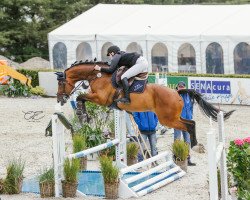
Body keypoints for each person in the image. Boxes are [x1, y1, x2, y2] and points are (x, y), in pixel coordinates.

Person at [174, 81, 196, 166]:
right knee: (177, 140)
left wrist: (190, 117)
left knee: (187, 141)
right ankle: (177, 158)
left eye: (182, 87)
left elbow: (191, 107)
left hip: (187, 121)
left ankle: (187, 159)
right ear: (177, 87)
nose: (181, 88)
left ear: (185, 87)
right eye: (180, 87)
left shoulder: (188, 95)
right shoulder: (175, 95)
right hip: (178, 121)